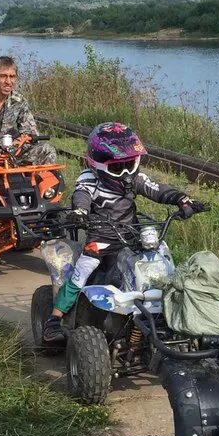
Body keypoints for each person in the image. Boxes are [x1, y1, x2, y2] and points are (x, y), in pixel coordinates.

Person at [41, 122, 206, 343]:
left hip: (131, 236)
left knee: (164, 264)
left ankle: (171, 317)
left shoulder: (134, 179)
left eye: (130, 164)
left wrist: (182, 199)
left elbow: (157, 189)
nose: (127, 174)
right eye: (118, 168)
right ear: (98, 165)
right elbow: (81, 197)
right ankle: (54, 320)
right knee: (81, 272)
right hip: (101, 239)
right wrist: (80, 212)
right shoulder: (89, 181)